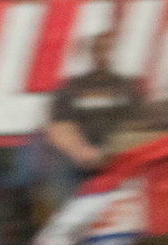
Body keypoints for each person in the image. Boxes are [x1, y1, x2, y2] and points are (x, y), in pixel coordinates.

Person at [42, 30, 143, 207]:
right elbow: (59, 127)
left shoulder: (126, 87)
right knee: (61, 168)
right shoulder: (71, 88)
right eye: (98, 50)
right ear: (89, 53)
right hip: (78, 161)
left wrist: (111, 151)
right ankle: (69, 218)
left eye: (107, 49)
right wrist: (80, 150)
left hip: (118, 157)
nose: (102, 55)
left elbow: (136, 127)